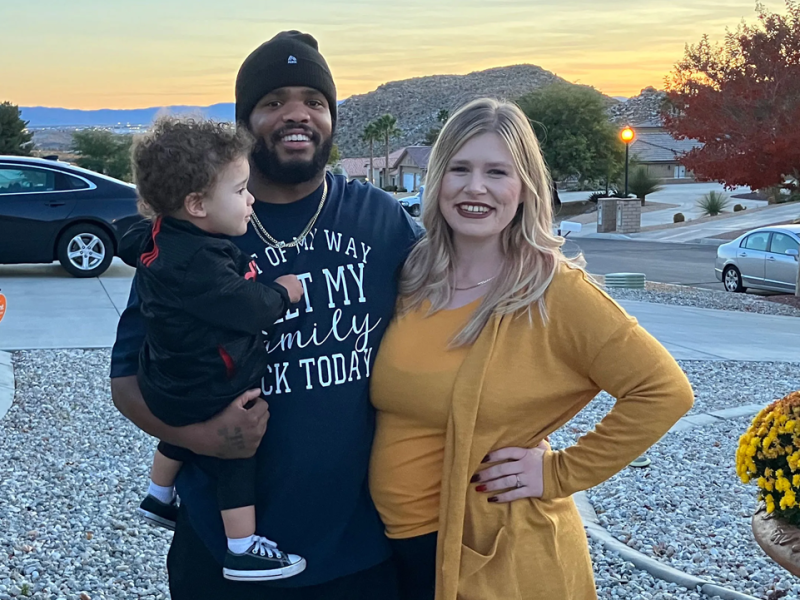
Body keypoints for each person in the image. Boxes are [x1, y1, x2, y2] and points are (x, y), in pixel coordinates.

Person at [110, 31, 420, 599]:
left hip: (357, 548)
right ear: (244, 121)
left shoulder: (381, 221)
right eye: (274, 101)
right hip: (220, 552)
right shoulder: (188, 236)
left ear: (331, 118)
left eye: (315, 100)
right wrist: (199, 435)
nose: (297, 114)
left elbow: (463, 312)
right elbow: (127, 379)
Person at [368, 98, 695, 600]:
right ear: (438, 180)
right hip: (393, 545)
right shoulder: (412, 275)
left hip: (488, 550)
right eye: (460, 168)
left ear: (524, 188)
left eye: (497, 171)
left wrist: (558, 472)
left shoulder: (554, 290)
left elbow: (664, 391)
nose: (475, 187)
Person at [120, 117, 306, 582]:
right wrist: (285, 292)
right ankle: (242, 547)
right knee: (239, 449)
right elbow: (249, 307)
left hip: (166, 379)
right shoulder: (200, 265)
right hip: (205, 386)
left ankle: (158, 494)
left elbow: (129, 238)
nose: (251, 199)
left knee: (180, 421)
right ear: (197, 204)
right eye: (241, 190)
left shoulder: (165, 235)